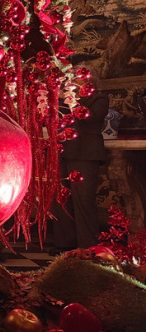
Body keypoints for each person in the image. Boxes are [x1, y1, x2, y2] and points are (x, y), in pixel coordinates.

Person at [51, 78, 109, 253]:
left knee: (83, 200)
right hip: (62, 152)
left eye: (78, 80)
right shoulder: (64, 100)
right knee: (61, 200)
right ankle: (64, 243)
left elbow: (89, 117)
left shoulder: (99, 99)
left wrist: (69, 100)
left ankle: (88, 245)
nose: (74, 83)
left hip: (85, 154)